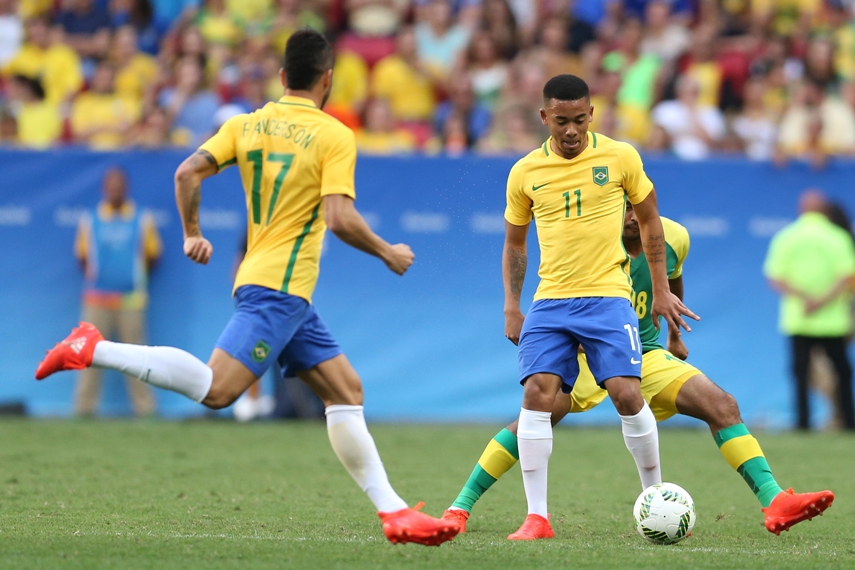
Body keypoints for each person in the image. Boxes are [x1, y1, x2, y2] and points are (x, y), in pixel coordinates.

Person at [35, 28, 459, 547]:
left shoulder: (246, 123)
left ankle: (393, 512)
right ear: (328, 79)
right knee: (218, 390)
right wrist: (388, 251)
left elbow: (187, 172)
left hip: (278, 288)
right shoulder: (333, 134)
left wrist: (193, 233)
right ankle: (94, 347)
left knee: (346, 392)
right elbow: (340, 217)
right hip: (278, 289)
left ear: (283, 77)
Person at [441, 202, 836, 536]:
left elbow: (673, 275)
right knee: (536, 414)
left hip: (644, 351)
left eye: (638, 206)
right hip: (585, 354)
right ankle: (460, 507)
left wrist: (674, 335)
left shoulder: (673, 236)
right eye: (623, 205)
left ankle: (775, 501)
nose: (631, 215)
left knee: (722, 404)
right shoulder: (592, 240)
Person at [494, 74, 698, 540]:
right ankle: (537, 517)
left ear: (592, 114)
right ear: (544, 117)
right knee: (537, 396)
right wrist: (511, 304)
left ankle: (655, 497)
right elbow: (514, 244)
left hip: (608, 296)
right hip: (550, 302)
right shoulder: (525, 172)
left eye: (580, 120)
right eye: (561, 121)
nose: (571, 131)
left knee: (628, 394)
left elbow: (650, 223)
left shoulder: (621, 156)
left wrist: (663, 289)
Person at [72, 167, 161, 417]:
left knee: (137, 359)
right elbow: (81, 257)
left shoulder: (142, 218)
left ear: (126, 188)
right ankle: (83, 410)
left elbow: (153, 255)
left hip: (131, 300)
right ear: (104, 189)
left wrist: (132, 278)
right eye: (111, 186)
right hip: (96, 299)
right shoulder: (90, 219)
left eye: (119, 186)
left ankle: (146, 411)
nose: (115, 190)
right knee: (89, 356)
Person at [764, 189, 855, 431]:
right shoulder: (838, 237)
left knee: (800, 374)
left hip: (799, 318)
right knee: (843, 372)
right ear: (824, 210)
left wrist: (805, 298)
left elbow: (775, 278)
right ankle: (848, 421)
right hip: (832, 320)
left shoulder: (786, 237)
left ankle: (802, 423)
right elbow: (847, 276)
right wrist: (823, 300)